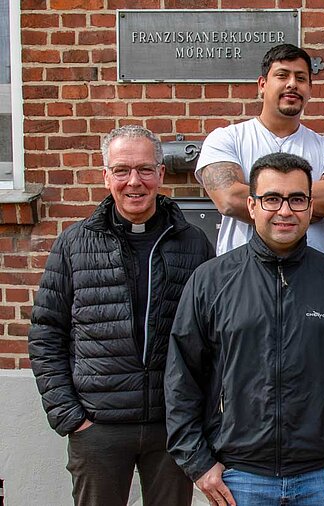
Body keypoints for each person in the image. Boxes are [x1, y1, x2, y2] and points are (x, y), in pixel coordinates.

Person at [165, 152, 324, 506]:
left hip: (322, 477)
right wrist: (199, 463)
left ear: (310, 207)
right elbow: (181, 378)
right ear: (251, 206)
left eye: (296, 199)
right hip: (238, 477)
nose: (285, 210)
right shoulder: (211, 281)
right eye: (272, 198)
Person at [28, 125, 214, 506]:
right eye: (122, 170)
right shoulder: (74, 244)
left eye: (146, 169)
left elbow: (211, 337)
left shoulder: (193, 243)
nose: (135, 182)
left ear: (161, 174)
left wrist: (200, 415)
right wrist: (71, 417)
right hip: (98, 427)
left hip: (171, 427)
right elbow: (47, 332)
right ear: (106, 175)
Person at [196, 43, 324, 256]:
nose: (292, 84)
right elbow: (230, 199)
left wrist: (258, 199)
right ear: (262, 84)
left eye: (300, 78)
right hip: (242, 275)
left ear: (310, 89)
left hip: (310, 278)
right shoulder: (226, 139)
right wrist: (310, 205)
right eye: (282, 76)